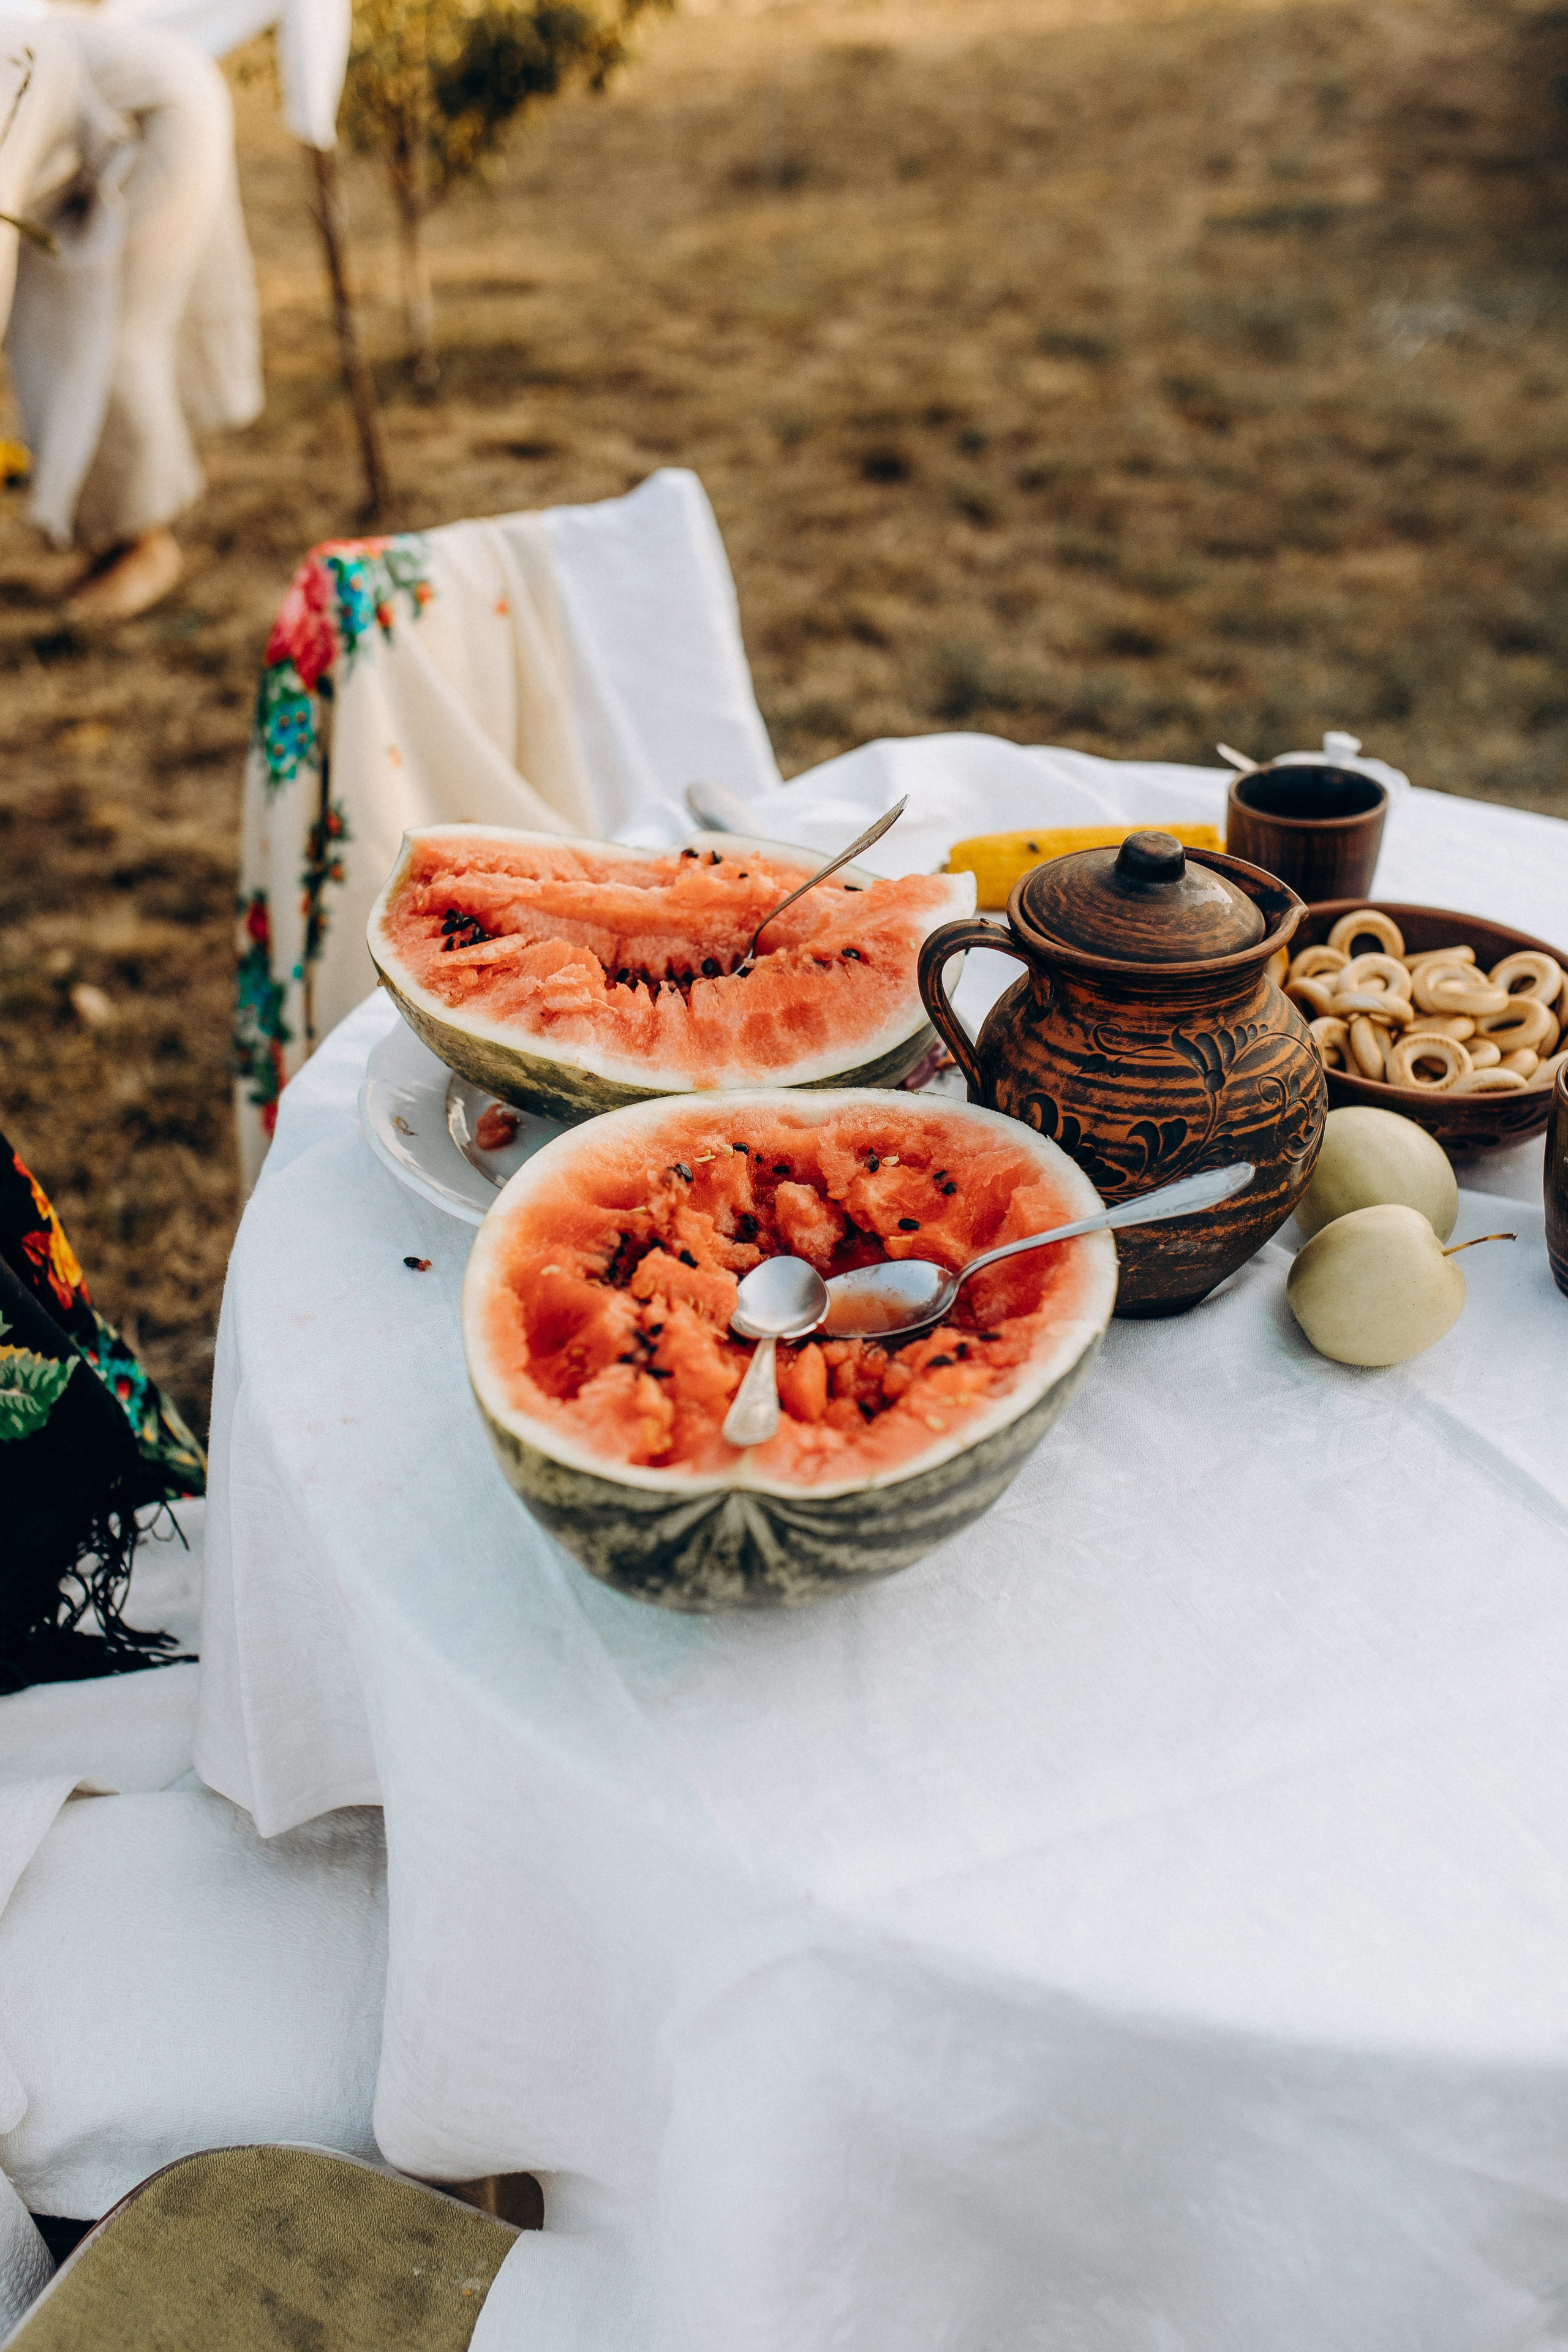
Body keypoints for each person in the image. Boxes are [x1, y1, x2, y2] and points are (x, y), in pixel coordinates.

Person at [0, 1, 347, 622]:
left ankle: (148, 547)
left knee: (110, 331)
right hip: (97, 141)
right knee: (49, 330)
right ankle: (110, 541)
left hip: (160, 125)